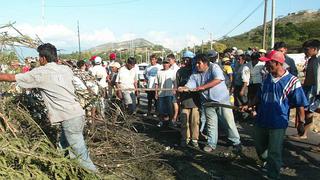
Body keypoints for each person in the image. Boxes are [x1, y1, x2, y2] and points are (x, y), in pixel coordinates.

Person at [0, 43, 97, 171]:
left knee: (80, 155)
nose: (38, 60)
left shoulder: (40, 73)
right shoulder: (65, 69)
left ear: (43, 58)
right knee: (63, 147)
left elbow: (10, 77)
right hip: (77, 114)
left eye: (39, 57)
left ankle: (93, 174)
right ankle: (62, 171)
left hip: (68, 117)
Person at [242, 50, 308, 179]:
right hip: (261, 119)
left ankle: (273, 175)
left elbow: (300, 104)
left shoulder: (293, 81)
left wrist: (301, 122)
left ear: (277, 63)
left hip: (278, 122)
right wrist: (249, 105)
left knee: (274, 151)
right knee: (260, 148)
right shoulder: (266, 78)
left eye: (269, 62)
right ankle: (266, 161)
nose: (266, 65)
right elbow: (259, 96)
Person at [180, 54, 241, 152]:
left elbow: (218, 79)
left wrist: (203, 87)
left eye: (199, 63)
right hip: (207, 101)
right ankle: (211, 144)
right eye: (195, 63)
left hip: (221, 100)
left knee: (228, 122)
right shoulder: (195, 72)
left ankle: (236, 142)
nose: (196, 65)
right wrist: (184, 88)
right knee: (211, 124)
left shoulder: (214, 67)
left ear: (205, 63)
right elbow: (190, 84)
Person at [291, 39, 320, 140]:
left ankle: (303, 133)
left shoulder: (318, 60)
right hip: (309, 89)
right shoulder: (311, 59)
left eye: (307, 49)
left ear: (314, 49)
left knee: (309, 112)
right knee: (307, 111)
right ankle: (303, 133)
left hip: (315, 90)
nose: (305, 51)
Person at [176, 55, 200, 148]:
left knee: (195, 122)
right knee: (184, 122)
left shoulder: (196, 71)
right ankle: (185, 139)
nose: (186, 61)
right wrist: (178, 98)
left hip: (195, 101)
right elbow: (177, 86)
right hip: (184, 101)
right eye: (184, 59)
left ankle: (194, 139)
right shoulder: (180, 71)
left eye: (188, 59)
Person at [155, 58, 176, 128]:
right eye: (164, 63)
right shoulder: (159, 72)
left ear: (169, 64)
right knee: (160, 109)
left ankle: (170, 122)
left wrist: (174, 90)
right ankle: (161, 121)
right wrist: (156, 93)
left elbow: (175, 82)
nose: (165, 64)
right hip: (161, 94)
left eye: (167, 63)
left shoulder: (172, 72)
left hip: (169, 94)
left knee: (170, 109)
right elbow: (156, 84)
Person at [167, 53, 180, 125]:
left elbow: (176, 80)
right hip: (170, 89)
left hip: (174, 88)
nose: (168, 61)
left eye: (169, 60)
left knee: (175, 103)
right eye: (168, 60)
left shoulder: (176, 68)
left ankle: (175, 118)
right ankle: (172, 118)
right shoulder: (170, 67)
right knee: (172, 104)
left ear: (174, 59)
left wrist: (175, 89)